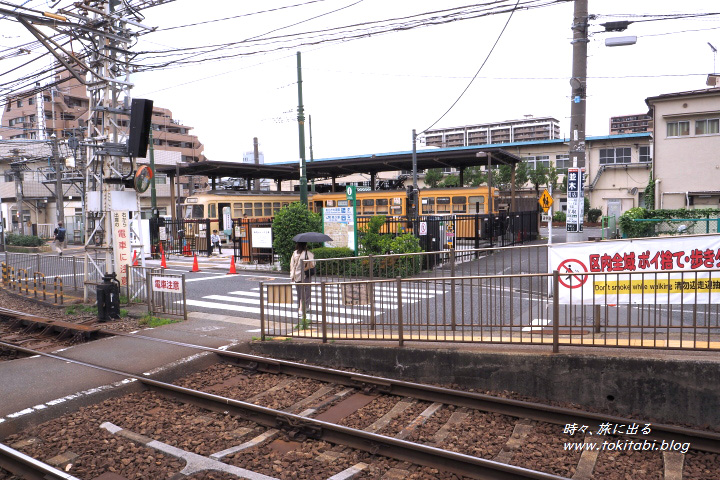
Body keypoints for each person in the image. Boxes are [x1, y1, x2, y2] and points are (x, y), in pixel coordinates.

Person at [289, 242, 315, 319]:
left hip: (297, 275)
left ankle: (299, 306)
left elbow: (292, 265)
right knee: (307, 291)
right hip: (306, 274)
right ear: (305, 245)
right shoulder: (308, 253)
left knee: (299, 291)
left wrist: (292, 275)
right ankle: (305, 307)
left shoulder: (294, 253)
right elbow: (313, 263)